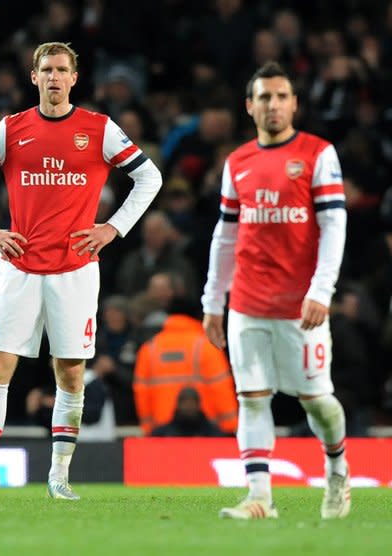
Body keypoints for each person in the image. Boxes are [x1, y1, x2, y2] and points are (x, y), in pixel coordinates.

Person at [0, 42, 162, 500]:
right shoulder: (11, 129)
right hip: (19, 266)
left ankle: (59, 477)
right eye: (46, 69)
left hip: (76, 269)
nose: (53, 77)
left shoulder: (99, 129)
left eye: (61, 70)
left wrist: (114, 227)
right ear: (34, 77)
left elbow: (150, 176)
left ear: (73, 78)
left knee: (69, 374)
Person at [201, 62, 349, 520]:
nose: (274, 105)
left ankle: (338, 469)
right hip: (247, 301)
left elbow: (334, 225)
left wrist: (321, 289)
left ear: (294, 104)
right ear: (250, 107)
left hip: (299, 306)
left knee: (317, 402)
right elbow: (225, 236)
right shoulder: (237, 162)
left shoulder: (317, 154)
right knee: (252, 397)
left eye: (282, 96)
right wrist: (213, 301)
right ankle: (260, 497)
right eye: (264, 97)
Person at [133, 298, 237, 436]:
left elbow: (141, 392)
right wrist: (230, 426)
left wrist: (147, 428)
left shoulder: (149, 349)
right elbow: (221, 389)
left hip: (162, 433)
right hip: (205, 433)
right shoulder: (207, 348)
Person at [150, 386, 225, 437]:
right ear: (178, 404)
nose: (189, 405)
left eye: (192, 401)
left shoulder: (213, 434)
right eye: (184, 401)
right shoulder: (161, 435)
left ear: (198, 404)